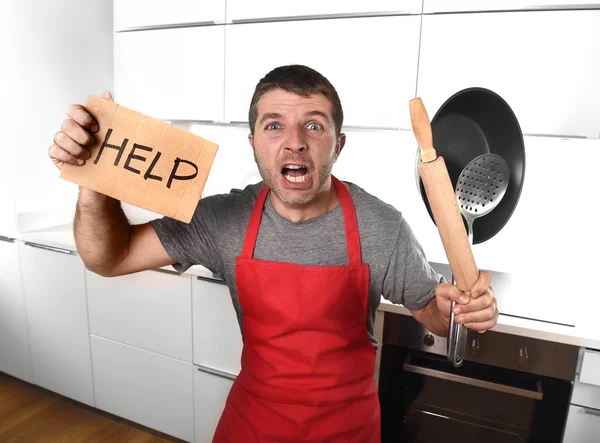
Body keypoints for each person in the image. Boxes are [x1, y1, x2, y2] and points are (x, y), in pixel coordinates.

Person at [49, 64, 498, 442]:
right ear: (254, 144)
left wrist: (456, 310)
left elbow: (432, 314)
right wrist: (96, 187)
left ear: (337, 146)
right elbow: (108, 258)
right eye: (274, 124)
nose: (295, 141)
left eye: (314, 125)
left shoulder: (380, 226)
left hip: (348, 429)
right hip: (253, 425)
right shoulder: (222, 219)